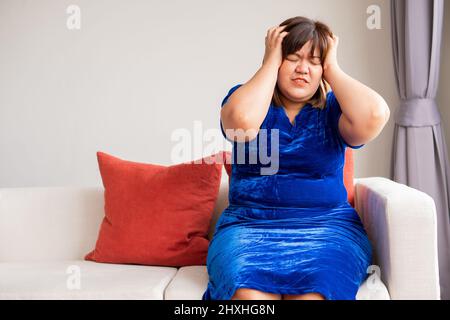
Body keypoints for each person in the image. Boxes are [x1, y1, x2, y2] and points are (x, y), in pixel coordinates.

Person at [202, 16, 390, 300]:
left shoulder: (335, 110)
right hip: (249, 229)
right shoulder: (246, 98)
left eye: (314, 61)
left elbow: (375, 115)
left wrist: (333, 67)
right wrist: (268, 63)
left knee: (313, 296)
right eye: (292, 57)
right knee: (249, 297)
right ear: (277, 60)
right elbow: (240, 123)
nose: (303, 69)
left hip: (328, 229)